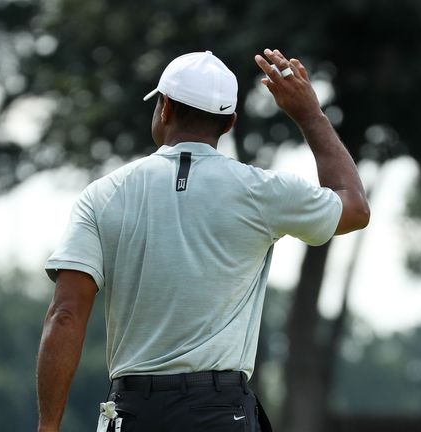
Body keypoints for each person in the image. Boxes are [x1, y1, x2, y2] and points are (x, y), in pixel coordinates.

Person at [36, 48, 370, 432]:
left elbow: (65, 315)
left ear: (165, 108)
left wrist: (48, 426)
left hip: (133, 412)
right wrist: (310, 115)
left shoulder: (103, 195)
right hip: (221, 412)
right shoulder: (260, 190)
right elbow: (355, 208)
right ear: (229, 123)